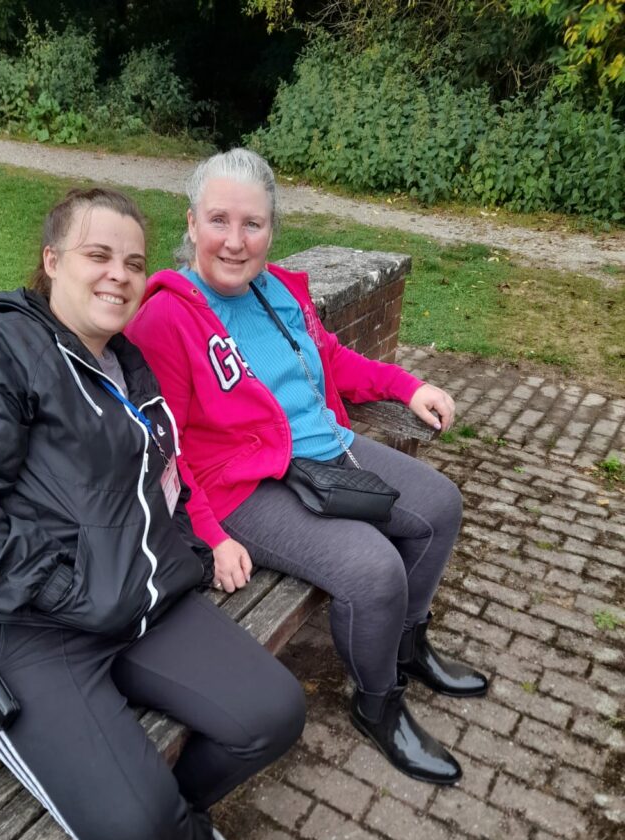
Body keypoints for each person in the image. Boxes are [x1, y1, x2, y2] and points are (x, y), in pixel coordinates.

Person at [0, 186, 306, 840]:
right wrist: (65, 587)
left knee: (272, 715)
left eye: (135, 262)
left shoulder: (126, 365)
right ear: (52, 262)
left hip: (133, 600)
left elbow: (161, 481)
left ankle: (164, 826)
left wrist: (195, 543)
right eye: (98, 255)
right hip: (13, 624)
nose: (120, 274)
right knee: (134, 831)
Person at [126, 149, 489, 787]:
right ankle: (378, 703)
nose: (235, 243)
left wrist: (406, 387)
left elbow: (330, 361)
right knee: (372, 569)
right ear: (190, 224)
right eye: (219, 221)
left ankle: (407, 644)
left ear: (272, 230)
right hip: (245, 486)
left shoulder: (277, 291)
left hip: (323, 451)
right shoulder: (167, 318)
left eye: (253, 225)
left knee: (438, 506)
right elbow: (165, 445)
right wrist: (210, 534)